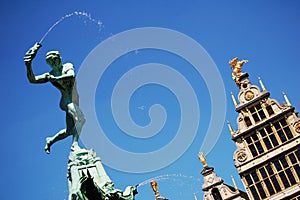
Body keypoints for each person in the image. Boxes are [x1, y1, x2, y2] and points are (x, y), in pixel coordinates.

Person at [24, 42, 85, 154]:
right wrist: (28, 65)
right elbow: (32, 80)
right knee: (80, 118)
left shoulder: (67, 66)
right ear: (49, 64)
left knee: (69, 131)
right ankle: (75, 146)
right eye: (51, 62)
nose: (55, 63)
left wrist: (55, 78)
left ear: (60, 59)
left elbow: (71, 75)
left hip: (74, 100)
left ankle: (50, 140)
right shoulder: (50, 75)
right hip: (66, 101)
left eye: (56, 59)